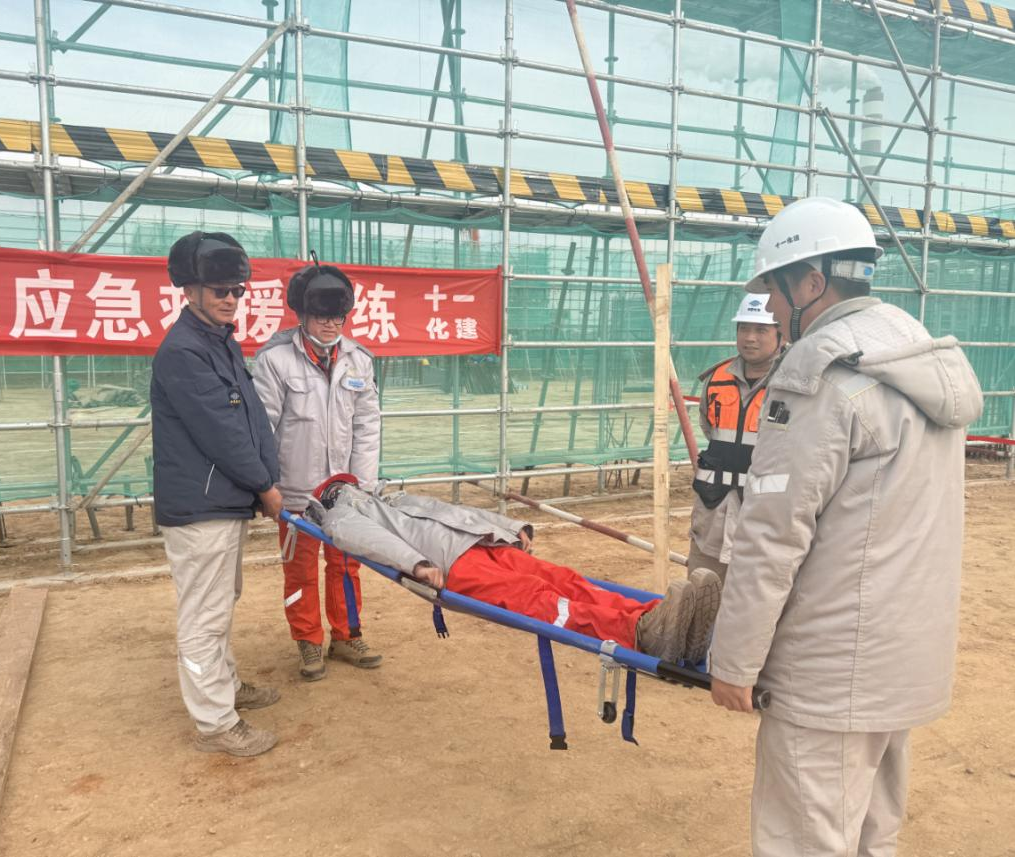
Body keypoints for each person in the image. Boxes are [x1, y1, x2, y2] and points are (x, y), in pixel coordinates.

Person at [708, 197, 983, 856]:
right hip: (901, 657)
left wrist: (734, 660)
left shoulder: (819, 374)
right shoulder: (913, 351)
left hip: (829, 669)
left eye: (773, 292)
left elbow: (773, 535)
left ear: (811, 282)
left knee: (804, 840)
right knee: (871, 837)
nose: (770, 312)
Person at [307, 475, 723, 664]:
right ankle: (638, 633)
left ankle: (656, 620)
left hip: (482, 543)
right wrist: (415, 564)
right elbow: (368, 541)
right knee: (538, 600)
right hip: (450, 564)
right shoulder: (342, 515)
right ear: (331, 494)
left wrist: (508, 528)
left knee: (563, 580)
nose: (350, 485)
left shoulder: (390, 498)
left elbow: (454, 511)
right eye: (342, 485)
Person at [151, 231, 284, 758]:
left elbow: (250, 420)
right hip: (200, 506)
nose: (231, 299)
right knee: (204, 616)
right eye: (219, 290)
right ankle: (215, 723)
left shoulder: (219, 341)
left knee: (220, 602)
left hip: (223, 501)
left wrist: (264, 480)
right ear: (190, 291)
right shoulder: (184, 351)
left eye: (237, 290)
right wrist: (265, 487)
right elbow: (222, 434)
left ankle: (225, 685)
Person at [252, 261, 382, 682]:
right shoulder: (275, 360)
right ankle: (307, 640)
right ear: (302, 314)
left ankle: (347, 635)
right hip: (295, 490)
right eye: (322, 316)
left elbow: (367, 425)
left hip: (343, 492)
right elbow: (262, 427)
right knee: (299, 569)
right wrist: (266, 485)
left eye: (338, 316)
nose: (330, 324)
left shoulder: (359, 360)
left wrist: (362, 485)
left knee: (346, 564)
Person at [688, 294, 782, 581]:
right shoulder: (716, 379)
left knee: (757, 591)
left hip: (766, 515)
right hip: (713, 509)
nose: (749, 338)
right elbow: (710, 429)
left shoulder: (792, 382)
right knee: (702, 589)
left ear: (781, 335)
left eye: (761, 329)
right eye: (743, 328)